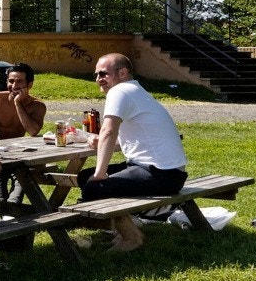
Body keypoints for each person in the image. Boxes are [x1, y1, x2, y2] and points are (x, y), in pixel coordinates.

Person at [77, 52, 188, 252]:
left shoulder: (120, 91)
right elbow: (133, 136)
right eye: (96, 75)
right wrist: (103, 144)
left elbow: (109, 130)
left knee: (94, 187)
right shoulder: (134, 90)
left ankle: (132, 237)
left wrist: (101, 174)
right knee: (85, 176)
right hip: (167, 172)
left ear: (122, 72)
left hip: (162, 174)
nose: (98, 79)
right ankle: (121, 230)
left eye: (103, 74)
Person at [0, 62, 47, 203]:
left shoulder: (38, 106)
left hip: (19, 155)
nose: (14, 86)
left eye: (20, 81)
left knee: (22, 173)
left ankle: (12, 207)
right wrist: (1, 148)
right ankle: (4, 207)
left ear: (30, 84)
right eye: (11, 81)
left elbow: (33, 131)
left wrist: (17, 103)